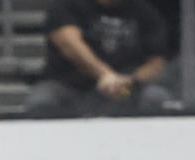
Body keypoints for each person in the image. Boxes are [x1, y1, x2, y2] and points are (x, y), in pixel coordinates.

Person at [24, 0, 173, 116]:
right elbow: (69, 44)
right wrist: (105, 74)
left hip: (123, 91)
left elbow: (157, 61)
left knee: (156, 97)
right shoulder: (67, 5)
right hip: (69, 87)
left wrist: (130, 81)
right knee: (42, 99)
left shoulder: (144, 11)